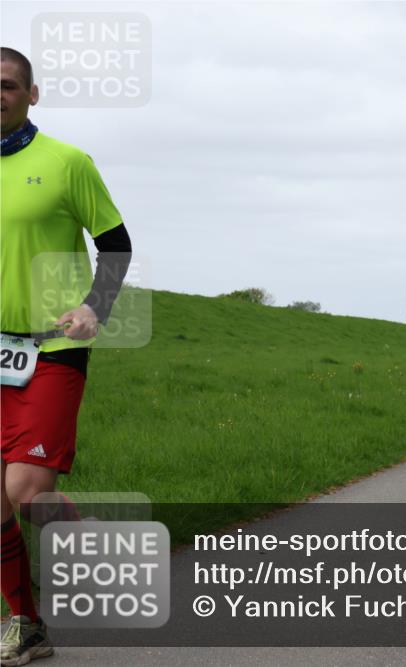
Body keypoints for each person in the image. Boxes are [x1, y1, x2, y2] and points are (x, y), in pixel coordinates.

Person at [1, 47, 133, 666]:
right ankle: (27, 625)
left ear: (32, 94)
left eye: (6, 85)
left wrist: (94, 308)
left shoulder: (66, 162)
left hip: (52, 347)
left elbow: (116, 244)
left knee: (27, 490)